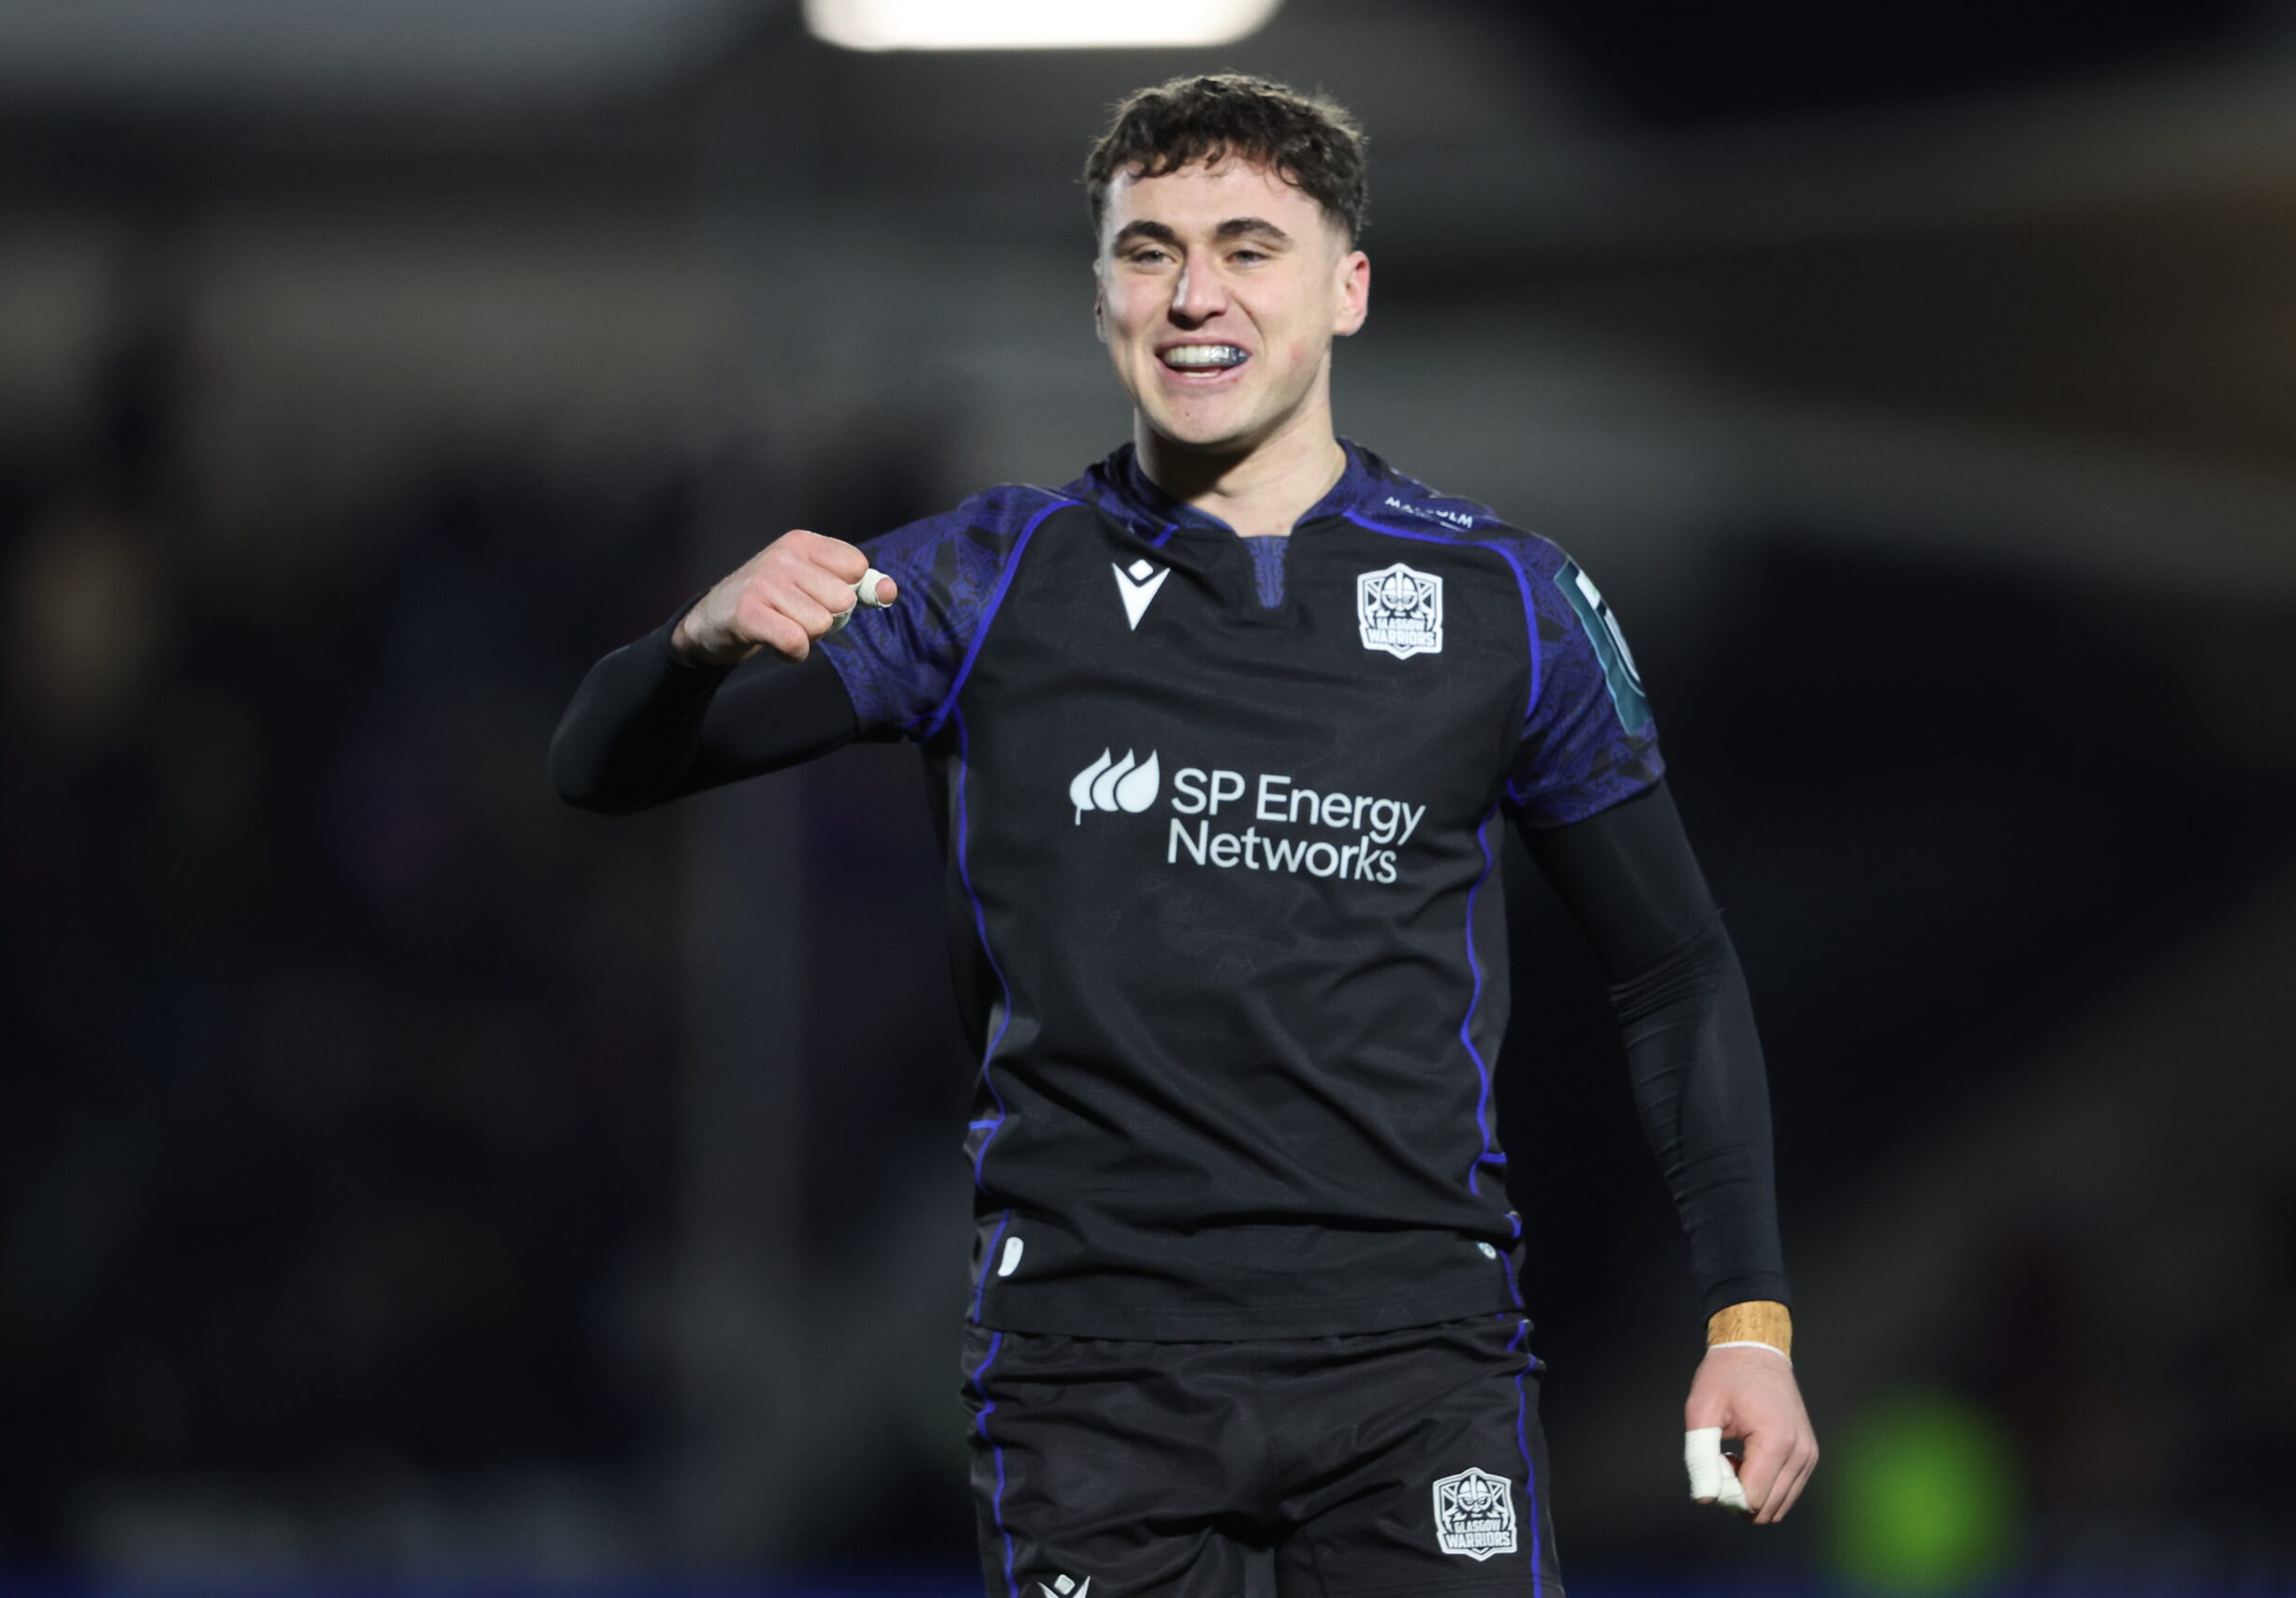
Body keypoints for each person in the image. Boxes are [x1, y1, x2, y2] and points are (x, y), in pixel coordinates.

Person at [554, 72, 1816, 1598]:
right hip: (1091, 1383)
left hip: (1416, 1372)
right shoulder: (984, 583)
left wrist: (1750, 1324)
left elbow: (1675, 968)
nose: (1193, 294)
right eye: (1147, 252)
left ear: (1348, 289)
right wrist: (690, 644)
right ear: (1102, 299)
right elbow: (599, 767)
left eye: (1246, 248)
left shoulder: (1508, 603)